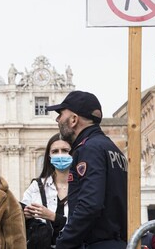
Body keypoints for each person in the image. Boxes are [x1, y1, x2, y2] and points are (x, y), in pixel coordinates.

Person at [46, 91, 128, 249]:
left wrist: (64, 243)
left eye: (60, 114)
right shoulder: (112, 149)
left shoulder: (89, 149)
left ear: (74, 119)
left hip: (97, 243)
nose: (57, 119)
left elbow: (90, 205)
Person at [21, 133, 71, 248]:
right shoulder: (36, 187)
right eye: (55, 151)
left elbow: (85, 223)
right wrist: (25, 215)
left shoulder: (83, 187)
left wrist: (53, 216)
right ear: (49, 156)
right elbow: (19, 222)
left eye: (65, 150)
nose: (60, 155)